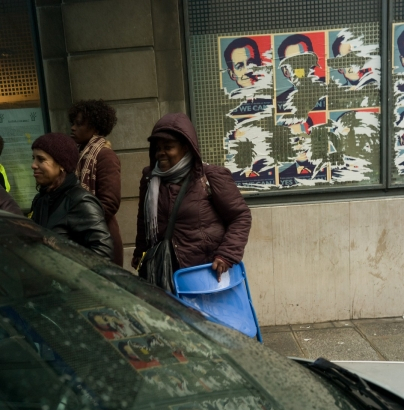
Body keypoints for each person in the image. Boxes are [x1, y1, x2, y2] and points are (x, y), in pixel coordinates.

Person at [132, 113, 251, 283]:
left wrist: (227, 254)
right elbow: (144, 220)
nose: (161, 153)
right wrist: (140, 253)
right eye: (158, 148)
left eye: (168, 147)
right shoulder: (150, 179)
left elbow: (240, 216)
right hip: (163, 271)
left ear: (186, 147)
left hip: (204, 272)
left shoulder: (210, 176)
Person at [30, 132, 113, 260]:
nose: (33, 165)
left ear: (62, 164)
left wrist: (63, 255)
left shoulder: (80, 201)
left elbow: (103, 252)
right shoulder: (41, 200)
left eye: (41, 159)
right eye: (33, 158)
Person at [69, 99, 123, 266]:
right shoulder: (77, 154)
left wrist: (82, 223)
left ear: (95, 127)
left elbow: (110, 202)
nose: (73, 128)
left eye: (79, 124)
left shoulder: (105, 155)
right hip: (82, 238)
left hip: (101, 239)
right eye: (73, 123)